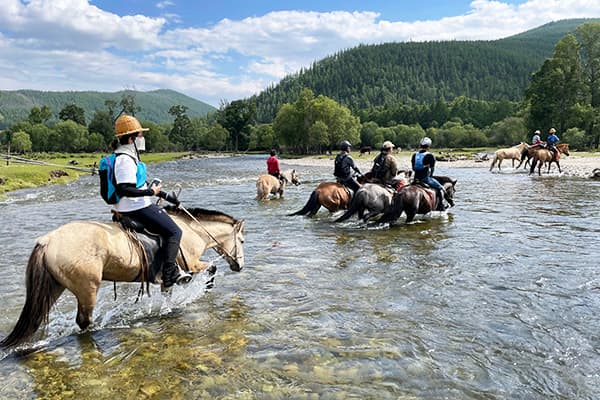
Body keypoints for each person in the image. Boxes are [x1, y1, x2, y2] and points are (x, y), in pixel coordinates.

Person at [112, 114, 191, 288]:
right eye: (140, 135)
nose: (143, 138)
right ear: (132, 138)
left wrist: (165, 196)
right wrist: (150, 191)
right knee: (174, 232)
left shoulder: (127, 156)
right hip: (135, 207)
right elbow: (125, 189)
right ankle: (169, 273)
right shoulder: (125, 160)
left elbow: (139, 184)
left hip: (134, 205)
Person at [411, 137, 448, 211]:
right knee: (441, 188)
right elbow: (432, 169)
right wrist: (430, 176)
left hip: (415, 178)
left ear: (420, 145)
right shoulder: (430, 156)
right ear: (429, 146)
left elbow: (413, 168)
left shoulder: (415, 155)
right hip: (425, 178)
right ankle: (441, 205)